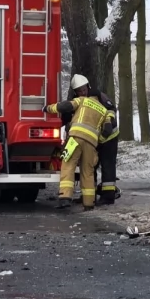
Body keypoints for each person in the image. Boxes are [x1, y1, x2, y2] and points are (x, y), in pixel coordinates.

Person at [46, 74, 111, 213]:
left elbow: (64, 106)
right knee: (88, 172)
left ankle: (65, 198)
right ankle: (89, 203)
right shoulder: (104, 110)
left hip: (75, 138)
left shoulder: (81, 101)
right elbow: (108, 130)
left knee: (67, 164)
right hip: (91, 144)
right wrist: (97, 140)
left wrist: (48, 109)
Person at [59, 80, 120, 205]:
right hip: (92, 137)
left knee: (107, 164)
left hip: (108, 137)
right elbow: (70, 118)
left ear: (88, 86)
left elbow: (111, 111)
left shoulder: (99, 96)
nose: (82, 92)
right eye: (79, 91)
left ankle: (108, 196)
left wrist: (107, 123)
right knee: (89, 166)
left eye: (84, 89)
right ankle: (88, 196)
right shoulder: (77, 101)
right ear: (76, 92)